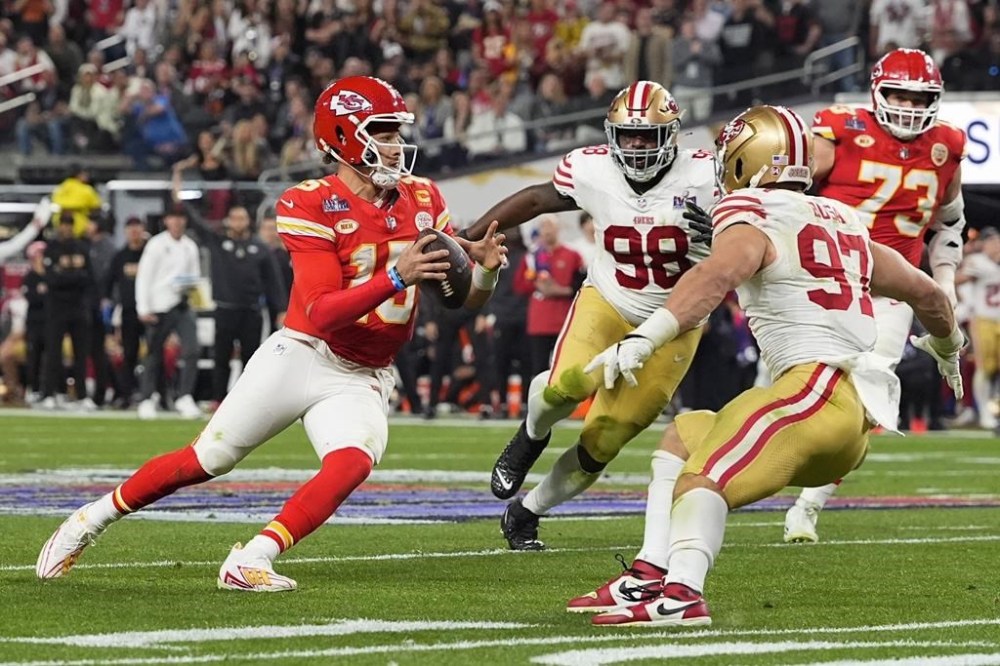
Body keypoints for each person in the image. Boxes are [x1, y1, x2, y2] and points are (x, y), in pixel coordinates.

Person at [36, 75, 506, 592]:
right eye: (384, 131)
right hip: (304, 352)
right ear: (345, 138)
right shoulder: (310, 202)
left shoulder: (423, 196)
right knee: (208, 459)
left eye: (396, 132)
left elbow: (461, 299)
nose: (395, 144)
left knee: (353, 460)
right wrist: (396, 276)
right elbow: (323, 312)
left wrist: (482, 268)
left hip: (365, 371)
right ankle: (88, 521)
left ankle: (253, 557)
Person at [578, 105, 963, 625]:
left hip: (811, 395)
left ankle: (683, 594)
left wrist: (645, 337)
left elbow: (717, 277)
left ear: (746, 159)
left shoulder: (753, 212)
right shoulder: (842, 217)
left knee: (702, 480)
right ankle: (648, 574)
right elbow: (927, 292)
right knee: (685, 435)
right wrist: (948, 347)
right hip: (841, 411)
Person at [463, 80, 716, 551]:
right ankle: (531, 435)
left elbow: (756, 235)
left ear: (674, 134)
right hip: (610, 299)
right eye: (628, 135)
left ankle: (527, 510)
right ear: (611, 134)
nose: (636, 146)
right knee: (567, 384)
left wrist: (723, 228)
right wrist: (470, 232)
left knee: (605, 439)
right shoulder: (592, 168)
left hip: (676, 320)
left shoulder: (709, 177)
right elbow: (538, 198)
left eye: (647, 136)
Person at [783, 48, 967, 544]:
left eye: (920, 97)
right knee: (793, 380)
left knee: (872, 389)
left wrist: (943, 285)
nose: (908, 106)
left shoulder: (947, 145)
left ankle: (808, 505)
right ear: (876, 92)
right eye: (899, 94)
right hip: (824, 276)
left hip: (892, 287)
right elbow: (787, 190)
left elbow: (949, 225)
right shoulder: (837, 129)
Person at [133, 208, 204, 420]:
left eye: (181, 218)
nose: (177, 222)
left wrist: (191, 293)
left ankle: (185, 396)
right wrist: (143, 308)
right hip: (159, 306)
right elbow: (144, 277)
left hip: (181, 304)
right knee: (153, 354)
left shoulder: (190, 246)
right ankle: (147, 398)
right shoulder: (156, 244)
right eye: (174, 218)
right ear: (166, 221)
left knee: (192, 349)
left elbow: (195, 276)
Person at [39, 213, 94, 410]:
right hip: (56, 309)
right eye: (64, 224)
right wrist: (74, 276)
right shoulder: (51, 248)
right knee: (53, 353)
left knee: (80, 354)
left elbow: (89, 278)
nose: (67, 228)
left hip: (78, 308)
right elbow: (51, 280)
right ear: (58, 226)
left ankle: (82, 396)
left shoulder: (82, 248)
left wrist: (65, 274)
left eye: (70, 224)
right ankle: (49, 394)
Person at [957, 228, 1000, 429]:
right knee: (984, 367)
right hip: (983, 319)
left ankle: (993, 409)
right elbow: (956, 280)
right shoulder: (977, 262)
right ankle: (984, 412)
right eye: (992, 242)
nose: (995, 246)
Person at [106, 217, 148, 406]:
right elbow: (108, 284)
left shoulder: (150, 254)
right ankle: (126, 395)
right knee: (129, 354)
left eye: (137, 228)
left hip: (150, 312)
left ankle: (157, 394)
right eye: (130, 228)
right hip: (129, 312)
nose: (134, 232)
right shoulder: (120, 256)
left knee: (154, 355)